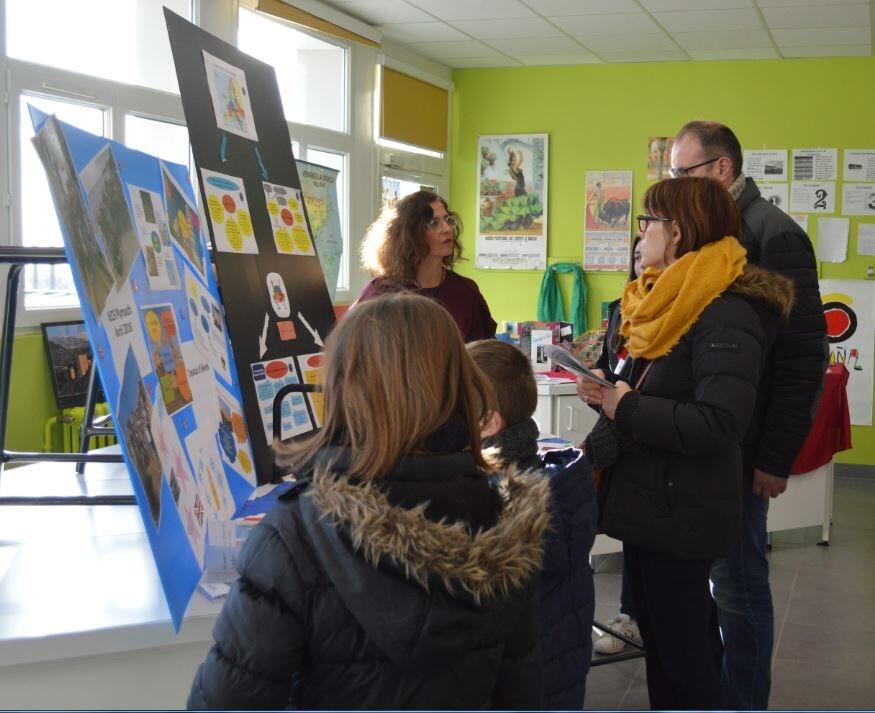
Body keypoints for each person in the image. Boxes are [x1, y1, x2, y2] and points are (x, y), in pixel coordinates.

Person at [188, 294, 549, 710]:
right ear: (459, 386)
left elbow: (227, 701)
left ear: (345, 386)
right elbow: (521, 691)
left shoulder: (294, 535)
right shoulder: (504, 525)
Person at [577, 177, 793, 710]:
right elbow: (656, 391)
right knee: (665, 646)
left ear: (677, 232)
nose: (640, 232)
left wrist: (625, 406)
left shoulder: (724, 309)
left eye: (648, 221)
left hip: (682, 507)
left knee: (684, 657)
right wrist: (609, 393)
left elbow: (719, 422)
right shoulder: (666, 299)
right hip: (651, 501)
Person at [671, 120, 828, 710]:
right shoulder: (706, 233)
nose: (677, 183)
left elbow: (801, 357)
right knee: (709, 588)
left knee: (738, 589)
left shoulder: (773, 233)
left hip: (742, 449)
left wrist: (775, 457)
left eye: (684, 171)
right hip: (701, 442)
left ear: (722, 169)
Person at [468, 339, 597, 709]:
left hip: (524, 683)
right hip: (555, 672)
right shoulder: (547, 479)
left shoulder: (497, 502)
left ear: (488, 423)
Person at [590, 236, 643, 656]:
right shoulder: (621, 309)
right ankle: (631, 615)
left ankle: (643, 618)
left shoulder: (683, 312)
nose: (642, 262)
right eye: (636, 256)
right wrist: (595, 382)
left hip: (652, 437)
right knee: (631, 533)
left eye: (648, 252)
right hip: (622, 432)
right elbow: (613, 369)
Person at [357, 190, 497, 342]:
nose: (447, 229)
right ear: (410, 234)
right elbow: (355, 348)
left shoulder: (465, 291)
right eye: (434, 223)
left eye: (447, 220)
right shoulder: (381, 293)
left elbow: (484, 350)